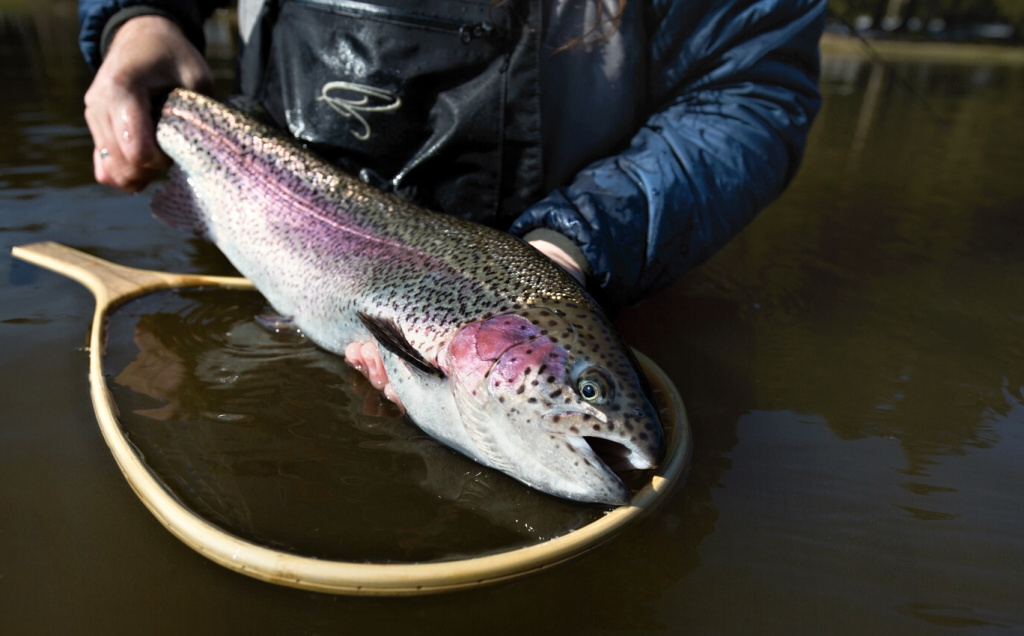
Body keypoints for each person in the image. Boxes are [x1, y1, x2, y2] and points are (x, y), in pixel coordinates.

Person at [78, 0, 825, 406]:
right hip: (264, 231)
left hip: (567, 292)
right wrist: (140, 20)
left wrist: (575, 248)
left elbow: (750, 84)